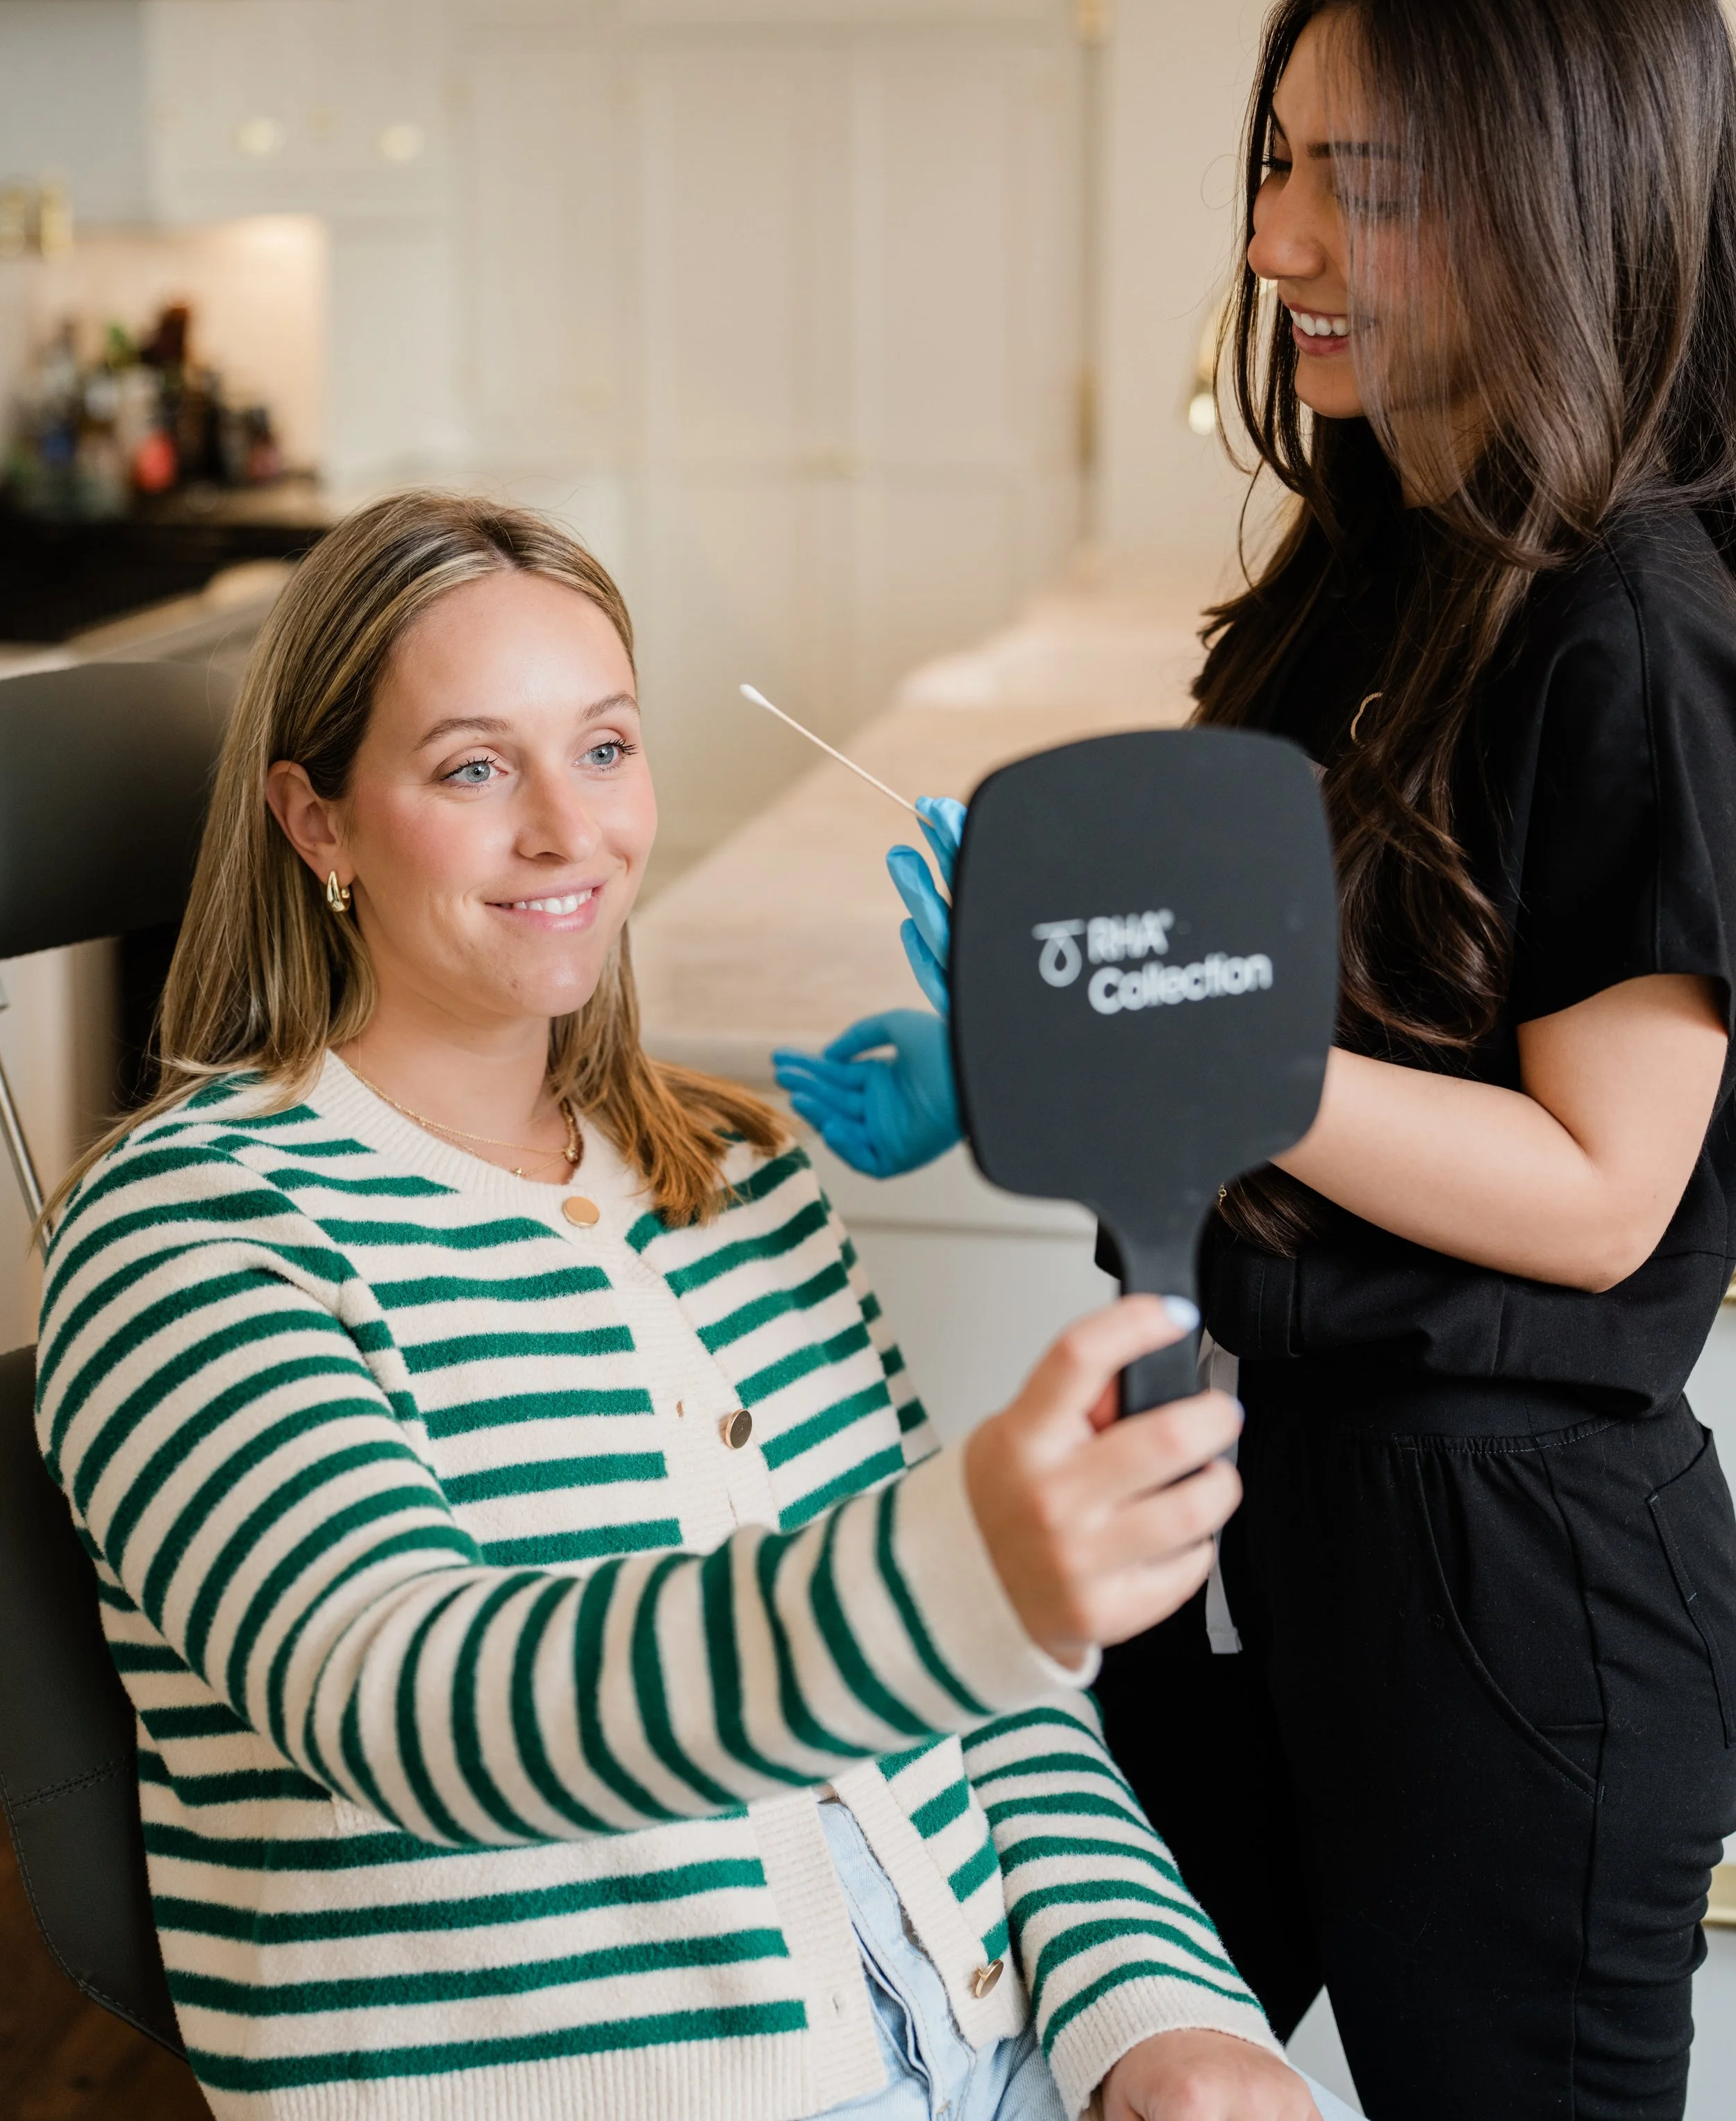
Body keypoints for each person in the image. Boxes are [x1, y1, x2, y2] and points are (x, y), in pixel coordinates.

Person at [776, 0, 1736, 2121]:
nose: (1271, 237)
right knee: (1101, 2063)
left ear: (1556, 200)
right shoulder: (1370, 565)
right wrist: (1034, 1043)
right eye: (1271, 161)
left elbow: (1602, 1195)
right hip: (1238, 1494)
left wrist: (1185, 1042)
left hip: (1505, 1580)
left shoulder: (1640, 630)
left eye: (1351, 180)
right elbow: (1331, 1039)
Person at [35, 489, 1342, 2121]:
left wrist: (1162, 2012)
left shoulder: (731, 1175)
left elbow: (985, 1699)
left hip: (989, 2049)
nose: (568, 832)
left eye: (602, 748)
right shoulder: (195, 1235)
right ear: (319, 824)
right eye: (470, 767)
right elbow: (408, 1707)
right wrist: (955, 1575)